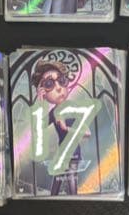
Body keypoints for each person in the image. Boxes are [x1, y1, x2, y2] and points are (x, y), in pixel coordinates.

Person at [31, 60, 90, 195]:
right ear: (43, 92)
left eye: (61, 80)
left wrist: (66, 128)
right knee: (56, 182)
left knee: (72, 181)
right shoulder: (53, 112)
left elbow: (87, 133)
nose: (58, 88)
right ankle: (52, 202)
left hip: (73, 153)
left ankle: (74, 203)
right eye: (49, 84)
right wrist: (40, 104)